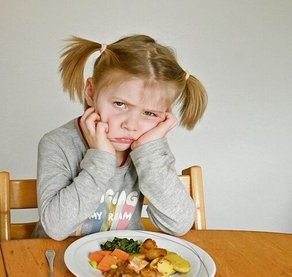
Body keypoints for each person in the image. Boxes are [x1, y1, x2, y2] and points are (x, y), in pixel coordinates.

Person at [32, 34, 207, 240]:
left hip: (119, 263)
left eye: (149, 113)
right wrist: (101, 158)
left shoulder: (147, 148)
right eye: (120, 104)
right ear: (91, 91)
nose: (131, 125)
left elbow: (179, 224)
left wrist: (149, 152)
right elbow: (56, 227)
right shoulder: (58, 143)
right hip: (56, 259)